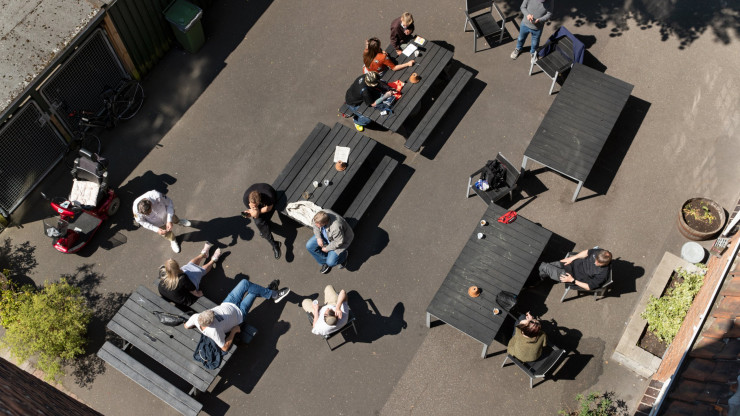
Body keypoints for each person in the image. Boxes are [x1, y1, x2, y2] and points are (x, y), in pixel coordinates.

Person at [184, 279, 290, 351]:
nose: (213, 312)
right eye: (213, 316)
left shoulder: (195, 317)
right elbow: (224, 347)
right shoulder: (213, 331)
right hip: (239, 314)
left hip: (229, 302)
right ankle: (273, 293)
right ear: (210, 323)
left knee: (245, 283)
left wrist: (193, 326)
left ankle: (270, 291)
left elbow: (186, 326)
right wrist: (233, 332)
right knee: (253, 292)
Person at [158, 243, 222, 307]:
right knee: (199, 271)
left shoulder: (162, 271)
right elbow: (193, 289)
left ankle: (203, 254)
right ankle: (213, 260)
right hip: (187, 299)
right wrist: (198, 294)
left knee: (188, 266)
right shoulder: (182, 278)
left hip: (168, 295)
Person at [538, 248, 612, 290]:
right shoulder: (599, 252)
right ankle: (538, 279)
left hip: (572, 276)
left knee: (543, 266)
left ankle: (535, 278)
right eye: (595, 260)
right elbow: (587, 252)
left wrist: (572, 281)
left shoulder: (603, 274)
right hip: (571, 263)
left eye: (598, 263)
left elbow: (589, 287)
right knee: (547, 266)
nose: (595, 263)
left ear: (605, 264)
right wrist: (572, 258)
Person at [306, 210, 354, 274]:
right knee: (309, 246)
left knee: (331, 262)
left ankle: (343, 257)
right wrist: (318, 238)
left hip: (341, 241)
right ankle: (325, 262)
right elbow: (315, 225)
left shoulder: (336, 227)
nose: (316, 225)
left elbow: (338, 242)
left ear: (325, 223)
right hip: (327, 235)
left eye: (318, 224)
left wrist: (327, 248)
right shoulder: (321, 215)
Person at [242, 183, 281, 260]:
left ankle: (275, 244)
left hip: (270, 203)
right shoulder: (246, 199)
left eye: (255, 205)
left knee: (259, 222)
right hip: (261, 204)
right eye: (252, 205)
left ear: (259, 202)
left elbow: (268, 209)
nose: (253, 207)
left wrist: (255, 210)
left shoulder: (269, 197)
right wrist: (249, 212)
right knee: (259, 222)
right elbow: (252, 213)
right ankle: (273, 242)